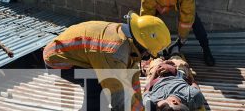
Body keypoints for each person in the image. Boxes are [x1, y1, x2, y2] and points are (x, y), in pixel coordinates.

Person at [43, 11, 171, 111]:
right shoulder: (115, 52)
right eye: (147, 54)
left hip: (77, 54)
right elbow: (118, 96)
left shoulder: (128, 39)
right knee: (101, 87)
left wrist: (140, 106)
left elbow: (132, 80)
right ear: (141, 46)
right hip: (57, 60)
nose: (147, 57)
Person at [140, 0, 215, 66]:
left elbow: (187, 17)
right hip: (158, 3)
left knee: (194, 21)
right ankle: (146, 49)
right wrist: (147, 41)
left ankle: (206, 49)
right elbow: (147, 11)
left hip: (180, 3)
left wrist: (181, 40)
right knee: (147, 22)